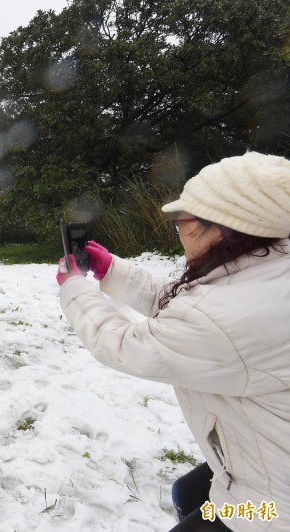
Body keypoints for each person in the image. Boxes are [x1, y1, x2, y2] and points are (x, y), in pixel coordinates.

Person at [55, 152, 290, 532]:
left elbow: (125, 344)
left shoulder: (223, 317)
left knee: (198, 503)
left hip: (272, 512)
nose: (178, 231)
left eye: (182, 222)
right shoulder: (269, 267)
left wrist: (75, 286)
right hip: (269, 460)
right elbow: (193, 313)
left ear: (224, 228)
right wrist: (114, 270)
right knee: (188, 492)